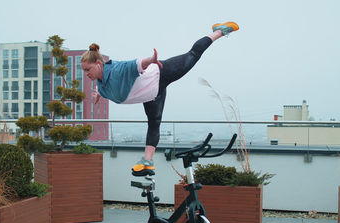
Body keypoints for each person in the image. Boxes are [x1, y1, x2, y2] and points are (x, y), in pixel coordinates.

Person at [81, 21, 239, 176]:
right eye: (84, 70)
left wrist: (150, 60)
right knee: (154, 123)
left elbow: (134, 64)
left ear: (98, 64)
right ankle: (147, 161)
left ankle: (219, 31)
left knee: (192, 55)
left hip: (160, 72)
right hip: (152, 94)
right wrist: (98, 94)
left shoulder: (116, 70)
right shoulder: (101, 85)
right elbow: (107, 88)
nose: (86, 74)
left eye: (88, 69)